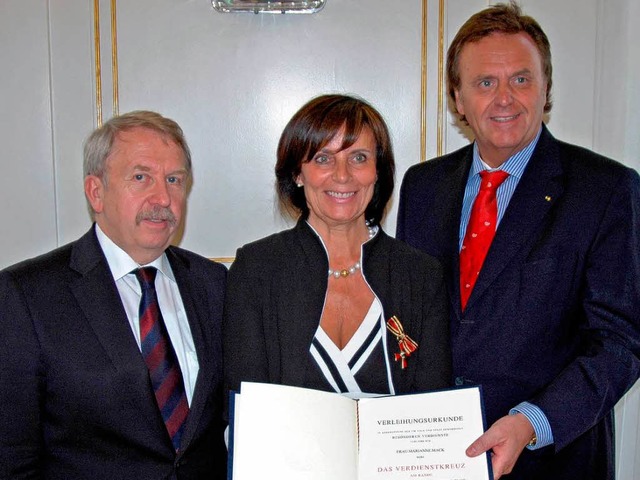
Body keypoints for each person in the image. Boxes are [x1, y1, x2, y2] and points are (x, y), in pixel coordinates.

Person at [397, 2, 640, 479]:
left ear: (546, 88)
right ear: (458, 98)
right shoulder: (422, 186)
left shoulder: (606, 190)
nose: (504, 98)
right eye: (485, 83)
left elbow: (621, 342)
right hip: (434, 455)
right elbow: (407, 318)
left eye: (521, 79)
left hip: (551, 460)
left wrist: (532, 422)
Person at [0, 111, 227, 479]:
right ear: (96, 192)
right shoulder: (27, 296)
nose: (163, 197)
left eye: (174, 180)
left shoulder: (213, 283)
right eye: (141, 178)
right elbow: (12, 457)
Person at [224, 94, 451, 404]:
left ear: (378, 171)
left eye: (358, 157)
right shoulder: (256, 270)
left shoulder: (422, 275)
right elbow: (245, 408)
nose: (343, 175)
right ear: (297, 173)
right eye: (323, 158)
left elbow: (435, 409)